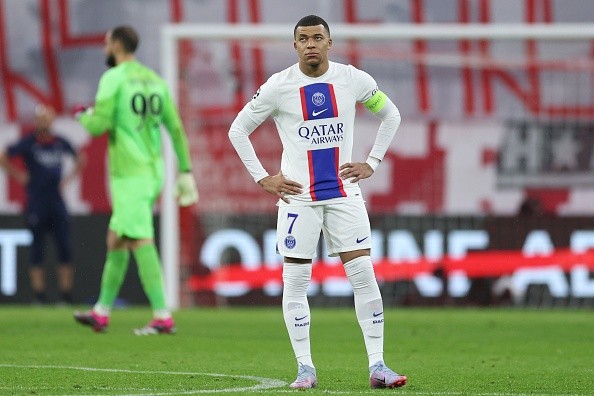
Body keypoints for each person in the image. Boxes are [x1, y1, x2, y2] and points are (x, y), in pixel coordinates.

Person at [228, 15, 406, 389]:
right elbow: (238, 129)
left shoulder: (353, 79)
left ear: (330, 42)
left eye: (317, 37)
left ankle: (378, 367)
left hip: (344, 194)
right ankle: (305, 368)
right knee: (295, 281)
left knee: (363, 275)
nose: (310, 44)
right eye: (303, 39)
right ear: (294, 46)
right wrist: (263, 178)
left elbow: (391, 114)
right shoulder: (278, 87)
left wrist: (372, 162)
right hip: (298, 198)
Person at [73, 26, 199, 335]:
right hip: (152, 172)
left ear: (116, 45)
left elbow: (97, 126)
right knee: (116, 239)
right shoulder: (156, 80)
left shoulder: (113, 78)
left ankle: (162, 315)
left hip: (130, 175)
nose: (105, 48)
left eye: (106, 42)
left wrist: (83, 116)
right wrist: (184, 170)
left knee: (140, 239)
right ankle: (101, 312)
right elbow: (176, 129)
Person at [0, 104, 85, 305]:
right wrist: (18, 175)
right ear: (37, 121)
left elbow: (81, 157)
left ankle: (65, 295)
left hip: (56, 202)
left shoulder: (59, 142)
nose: (44, 122)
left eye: (47, 118)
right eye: (41, 118)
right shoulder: (29, 142)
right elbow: (4, 156)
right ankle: (38, 295)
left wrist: (69, 179)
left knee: (64, 248)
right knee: (37, 249)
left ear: (52, 120)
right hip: (37, 202)